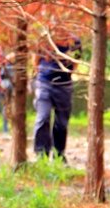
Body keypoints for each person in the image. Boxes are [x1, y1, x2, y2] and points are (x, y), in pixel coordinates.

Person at [33, 30, 81, 160]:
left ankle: (59, 154)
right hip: (44, 83)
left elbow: (75, 63)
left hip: (64, 85)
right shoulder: (44, 37)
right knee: (43, 117)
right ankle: (41, 154)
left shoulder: (75, 41)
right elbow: (36, 60)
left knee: (61, 123)